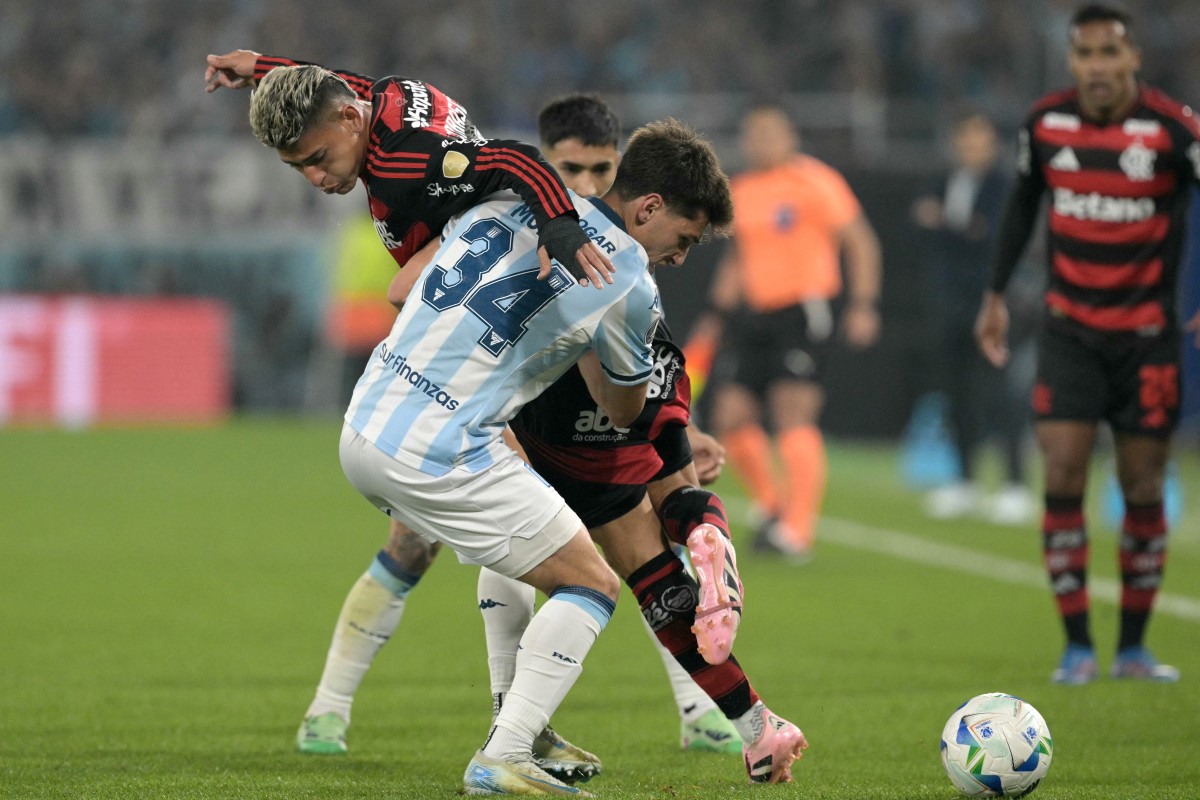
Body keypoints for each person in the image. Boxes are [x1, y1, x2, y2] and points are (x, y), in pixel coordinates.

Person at [975, 3, 1200, 685]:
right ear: (1071, 60)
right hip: (1069, 332)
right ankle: (1077, 645)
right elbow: (1021, 206)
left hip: (1148, 340)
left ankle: (1132, 647)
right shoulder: (1046, 125)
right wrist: (994, 295)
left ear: (1133, 58)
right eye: (1085, 54)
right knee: (1064, 473)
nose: (1097, 66)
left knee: (1141, 485)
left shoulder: (1172, 129)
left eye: (1110, 53)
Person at [695, 103, 882, 559]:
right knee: (729, 416)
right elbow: (737, 259)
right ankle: (774, 504)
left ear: (790, 136)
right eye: (753, 133)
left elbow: (860, 241)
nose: (760, 141)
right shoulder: (740, 190)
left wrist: (863, 304)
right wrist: (715, 318)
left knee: (792, 411)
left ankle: (798, 529)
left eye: (769, 132)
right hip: (756, 315)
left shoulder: (816, 181)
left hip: (805, 310)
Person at [911, 110, 1035, 525]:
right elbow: (923, 226)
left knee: (1001, 392)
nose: (970, 145)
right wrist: (957, 227)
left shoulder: (1003, 185)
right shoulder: (944, 180)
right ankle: (965, 480)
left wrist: (944, 222)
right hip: (950, 303)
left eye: (978, 137)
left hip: (992, 301)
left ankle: (1016, 485)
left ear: (993, 143)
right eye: (964, 136)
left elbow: (989, 235)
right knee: (955, 393)